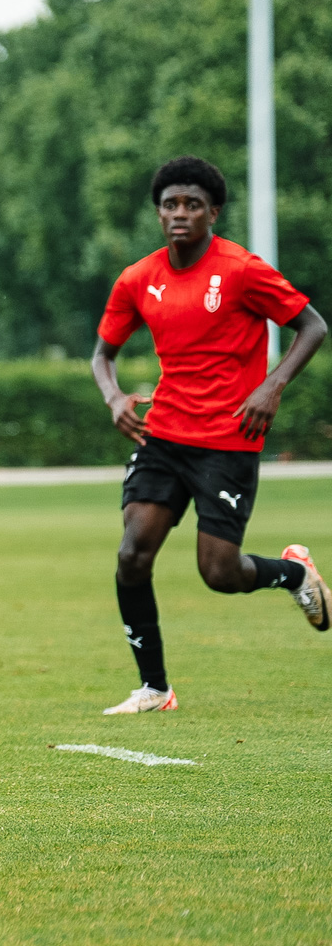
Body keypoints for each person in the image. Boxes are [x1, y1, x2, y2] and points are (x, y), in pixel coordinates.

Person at [92, 155, 329, 716]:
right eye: (170, 204)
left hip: (228, 438)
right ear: (158, 212)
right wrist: (114, 397)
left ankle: (295, 573)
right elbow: (104, 354)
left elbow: (313, 325)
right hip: (164, 435)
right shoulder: (137, 278)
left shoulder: (242, 270)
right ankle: (154, 689)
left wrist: (272, 387)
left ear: (212, 212)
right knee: (132, 554)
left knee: (219, 573)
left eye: (192, 205)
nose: (180, 213)